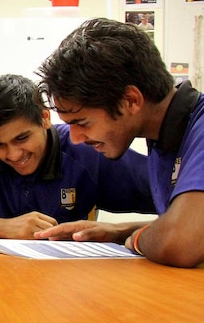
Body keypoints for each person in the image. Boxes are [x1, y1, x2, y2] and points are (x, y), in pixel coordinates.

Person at [34, 18, 204, 268]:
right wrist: (120, 230)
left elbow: (180, 243)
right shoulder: (164, 137)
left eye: (82, 122)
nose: (75, 138)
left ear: (131, 100)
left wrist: (134, 239)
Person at [0, 74, 155, 239]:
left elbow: (175, 202)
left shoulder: (86, 150)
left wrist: (120, 230)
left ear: (45, 118)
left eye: (22, 138)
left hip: (70, 283)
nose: (13, 154)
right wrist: (3, 228)